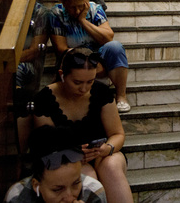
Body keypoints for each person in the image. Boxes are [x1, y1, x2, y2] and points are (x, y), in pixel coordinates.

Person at [33, 48, 132, 203]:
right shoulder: (45, 99)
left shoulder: (101, 92)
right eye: (77, 82)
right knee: (84, 176)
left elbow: (117, 134)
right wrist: (74, 154)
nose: (84, 88)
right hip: (64, 160)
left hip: (102, 154)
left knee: (111, 167)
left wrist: (108, 148)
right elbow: (46, 145)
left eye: (90, 82)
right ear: (62, 75)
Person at [49, 0, 131, 113]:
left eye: (80, 6)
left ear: (86, 1)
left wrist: (82, 20)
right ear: (64, 4)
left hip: (97, 55)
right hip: (72, 58)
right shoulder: (56, 14)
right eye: (72, 7)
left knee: (115, 47)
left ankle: (121, 96)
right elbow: (61, 48)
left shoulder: (95, 9)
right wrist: (89, 62)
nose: (76, 11)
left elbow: (108, 37)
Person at [5, 125, 107, 203]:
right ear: (36, 185)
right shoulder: (18, 197)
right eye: (57, 189)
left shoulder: (93, 192)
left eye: (76, 183)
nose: (69, 197)